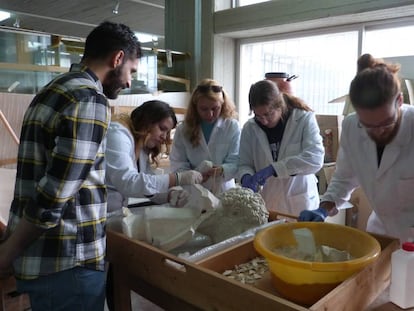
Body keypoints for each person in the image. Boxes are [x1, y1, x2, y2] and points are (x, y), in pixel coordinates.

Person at [0, 21, 142, 311]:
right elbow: (54, 194)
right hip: (68, 261)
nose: (129, 82)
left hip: (45, 260)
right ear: (117, 59)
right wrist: (7, 253)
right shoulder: (89, 99)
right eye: (131, 71)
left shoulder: (53, 89)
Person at [299, 54, 414, 243]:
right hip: (381, 232)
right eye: (368, 125)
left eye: (386, 123)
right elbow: (344, 177)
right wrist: (324, 207)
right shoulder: (353, 127)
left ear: (399, 101)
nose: (378, 132)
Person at [238, 79, 324, 216]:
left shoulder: (303, 119)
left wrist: (274, 169)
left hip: (299, 204)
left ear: (280, 106)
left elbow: (315, 159)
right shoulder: (250, 128)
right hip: (267, 202)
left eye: (268, 114)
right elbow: (244, 163)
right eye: (258, 115)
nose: (264, 121)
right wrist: (246, 176)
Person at [105, 100, 203, 214]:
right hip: (96, 211)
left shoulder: (140, 145)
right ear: (146, 121)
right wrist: (177, 178)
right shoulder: (118, 134)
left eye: (167, 132)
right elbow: (128, 182)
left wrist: (171, 195)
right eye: (162, 128)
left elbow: (148, 185)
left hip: (112, 212)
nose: (164, 137)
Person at [169, 78, 240, 194]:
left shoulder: (232, 126)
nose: (210, 114)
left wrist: (223, 170)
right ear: (195, 106)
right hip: (194, 190)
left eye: (215, 108)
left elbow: (237, 160)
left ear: (222, 104)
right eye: (204, 109)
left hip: (224, 190)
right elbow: (177, 163)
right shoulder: (183, 130)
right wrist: (194, 176)